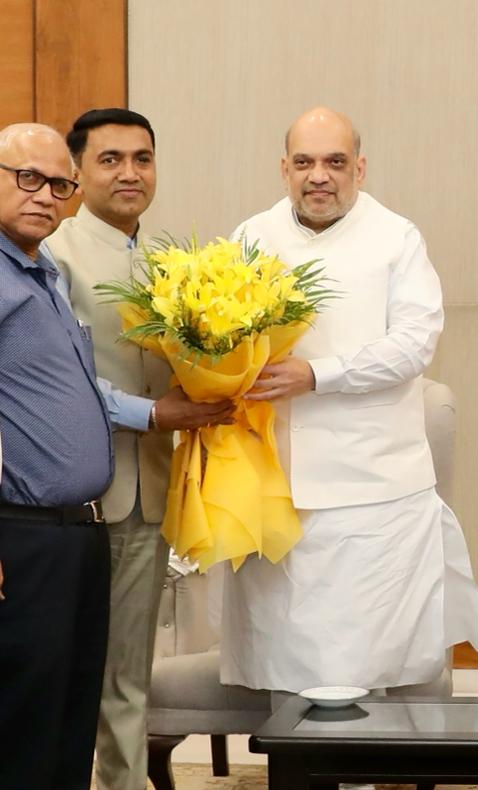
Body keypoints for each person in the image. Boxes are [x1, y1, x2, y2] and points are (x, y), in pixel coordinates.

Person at [218, 107, 478, 700]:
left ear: (359, 169)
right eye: (305, 162)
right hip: (275, 487)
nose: (320, 176)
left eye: (335, 162)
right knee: (288, 665)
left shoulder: (397, 237)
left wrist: (317, 375)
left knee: (364, 666)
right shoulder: (249, 237)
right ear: (283, 169)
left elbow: (414, 345)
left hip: (375, 491)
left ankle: (359, 775)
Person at [44, 108, 235, 790]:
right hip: (78, 500)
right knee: (74, 669)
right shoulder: (54, 257)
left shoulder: (166, 261)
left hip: (153, 491)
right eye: (110, 159)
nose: (130, 172)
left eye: (142, 159)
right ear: (76, 173)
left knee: (128, 668)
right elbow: (60, 380)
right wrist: (159, 413)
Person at [0, 123, 113, 789]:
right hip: (21, 536)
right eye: (27, 178)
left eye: (60, 184)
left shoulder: (44, 272)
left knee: (70, 724)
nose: (45, 196)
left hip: (79, 536)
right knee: (24, 732)